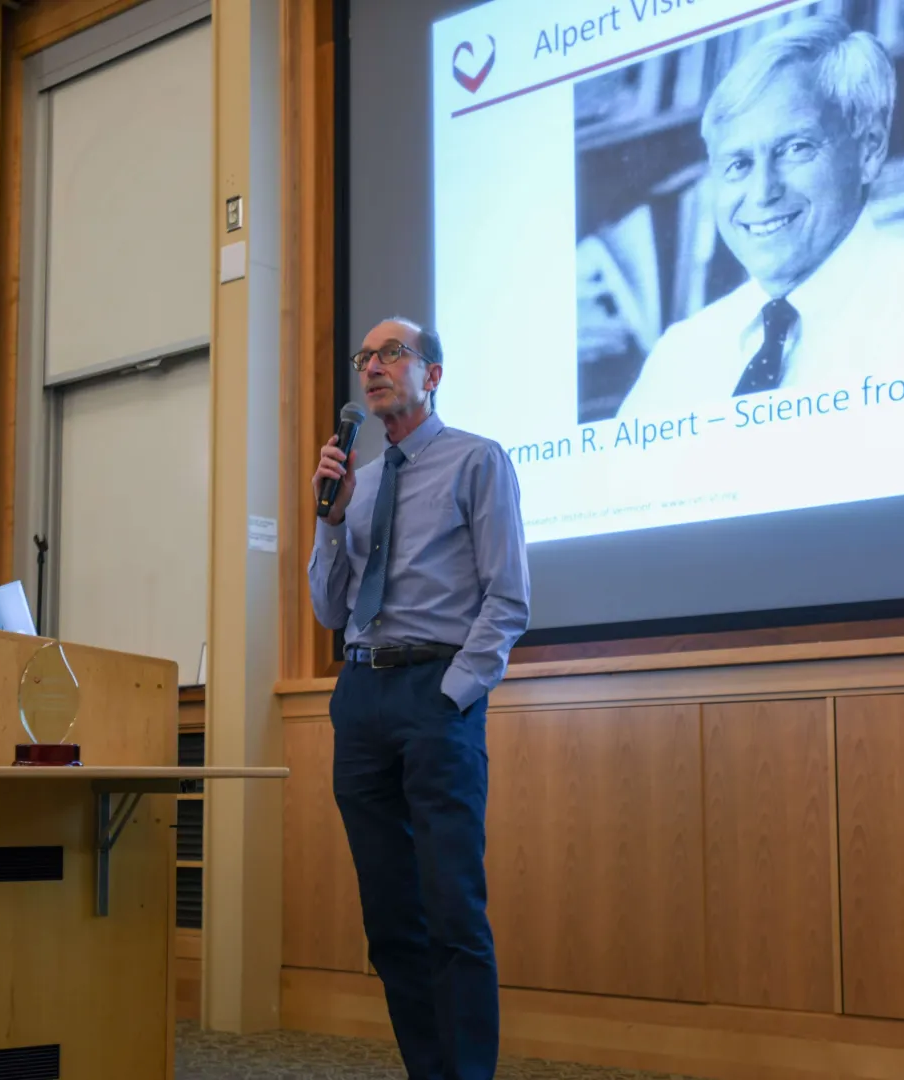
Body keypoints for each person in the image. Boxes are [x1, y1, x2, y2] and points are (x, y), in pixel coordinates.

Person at [307, 316, 529, 1080]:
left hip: (435, 696)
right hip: (362, 697)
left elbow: (508, 599)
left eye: (392, 353)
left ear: (431, 375)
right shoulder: (360, 483)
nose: (372, 367)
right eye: (364, 357)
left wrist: (453, 694)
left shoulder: (478, 460)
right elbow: (329, 610)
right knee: (391, 921)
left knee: (453, 912)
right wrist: (332, 521)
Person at [614, 15, 904, 419]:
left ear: (869, 149)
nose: (763, 192)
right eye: (738, 164)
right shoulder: (679, 355)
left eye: (795, 149)